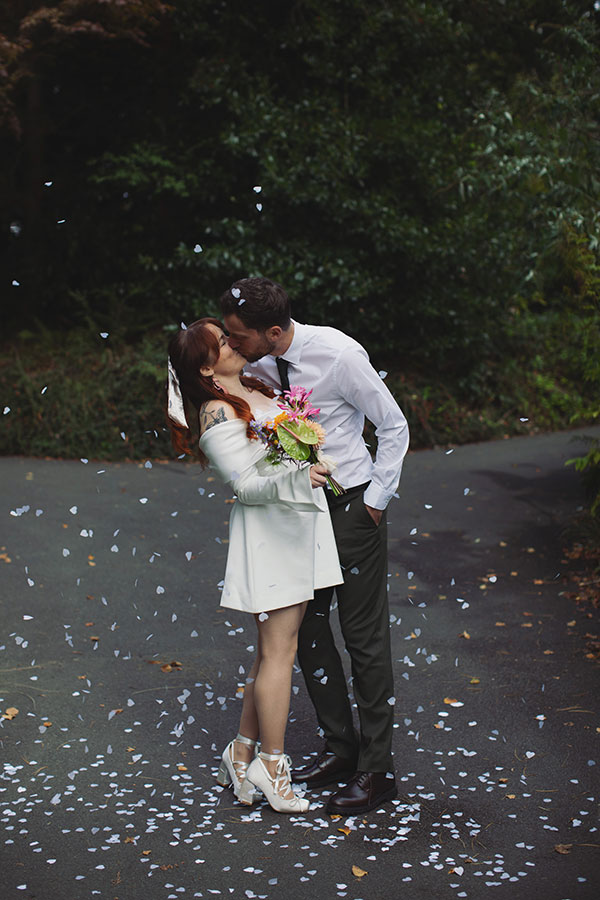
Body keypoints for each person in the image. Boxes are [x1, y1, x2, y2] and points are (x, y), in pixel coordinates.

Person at [220, 277, 410, 816]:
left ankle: (376, 771)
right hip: (296, 512)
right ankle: (340, 748)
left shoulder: (338, 354)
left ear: (273, 332)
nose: (233, 347)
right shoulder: (251, 367)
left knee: (363, 637)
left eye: (239, 338)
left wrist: (375, 502)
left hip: (351, 507)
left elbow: (393, 426)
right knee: (304, 631)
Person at [167, 317, 343, 814]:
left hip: (295, 530)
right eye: (222, 342)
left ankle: (240, 754)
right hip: (270, 541)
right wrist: (300, 477)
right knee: (278, 656)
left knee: (271, 654)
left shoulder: (251, 388)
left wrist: (305, 457)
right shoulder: (218, 415)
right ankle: (273, 765)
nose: (233, 341)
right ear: (206, 364)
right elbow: (243, 485)